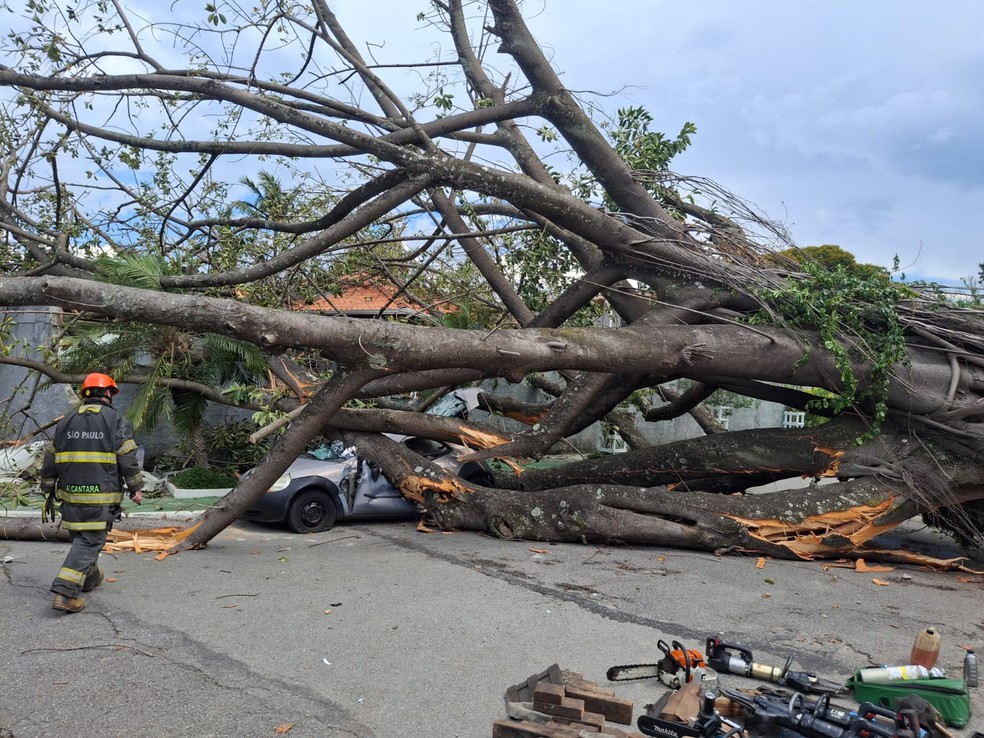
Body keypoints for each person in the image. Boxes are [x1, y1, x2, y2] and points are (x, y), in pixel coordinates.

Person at [40, 372, 144, 613]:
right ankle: (65, 593)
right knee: (91, 540)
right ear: (109, 393)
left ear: (85, 394)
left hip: (70, 496)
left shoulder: (66, 420)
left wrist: (47, 488)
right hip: (100, 497)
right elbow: (127, 457)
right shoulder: (114, 419)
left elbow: (49, 457)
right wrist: (135, 487)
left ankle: (89, 577)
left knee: (81, 537)